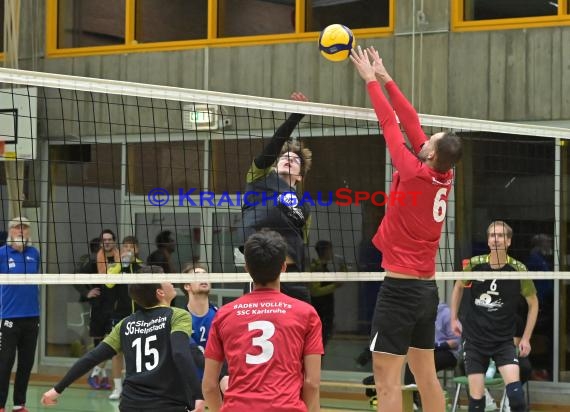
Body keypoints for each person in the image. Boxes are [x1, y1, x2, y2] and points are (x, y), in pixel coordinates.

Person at [350, 46, 462, 412]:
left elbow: (391, 123)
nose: (425, 137)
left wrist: (369, 81)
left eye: (431, 139)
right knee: (426, 376)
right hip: (426, 291)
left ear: (430, 154)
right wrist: (386, 77)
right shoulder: (444, 173)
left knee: (386, 383)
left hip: (399, 291)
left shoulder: (414, 172)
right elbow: (411, 121)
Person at [41, 266, 205, 412]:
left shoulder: (125, 324)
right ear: (160, 292)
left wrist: (56, 390)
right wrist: (198, 395)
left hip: (130, 404)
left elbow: (91, 358)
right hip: (166, 404)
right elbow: (181, 354)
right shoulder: (178, 316)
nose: (171, 281)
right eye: (166, 279)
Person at [203, 230, 323, 412]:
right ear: (283, 267)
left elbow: (210, 386)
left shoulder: (224, 314)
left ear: (247, 269)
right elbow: (312, 383)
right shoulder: (306, 313)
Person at [450, 220, 539, 412]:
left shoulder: (518, 269)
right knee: (476, 402)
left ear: (508, 241)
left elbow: (533, 303)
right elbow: (458, 287)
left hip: (503, 341)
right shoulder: (475, 264)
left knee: (516, 397)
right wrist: (453, 318)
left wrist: (526, 338)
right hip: (474, 340)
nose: (495, 239)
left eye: (500, 235)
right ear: (488, 240)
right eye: (492, 235)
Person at [240, 92, 313, 303]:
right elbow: (273, 146)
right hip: (259, 276)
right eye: (285, 158)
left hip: (292, 278)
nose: (289, 160)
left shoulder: (303, 207)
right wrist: (295, 116)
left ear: (299, 176)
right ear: (274, 165)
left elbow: (301, 242)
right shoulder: (258, 178)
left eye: (295, 161)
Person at [0, 217, 41, 412]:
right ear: (10, 232)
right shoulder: (1, 253)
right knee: (5, 363)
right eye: (17, 228)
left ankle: (19, 404)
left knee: (26, 364)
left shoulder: (35, 253)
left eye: (25, 228)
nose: (21, 231)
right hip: (9, 317)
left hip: (32, 317)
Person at [106, 236, 145, 400]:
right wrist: (122, 265)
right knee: (117, 352)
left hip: (140, 314)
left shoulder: (142, 266)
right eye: (126, 247)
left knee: (139, 352)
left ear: (136, 249)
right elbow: (108, 283)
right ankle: (117, 388)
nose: (128, 250)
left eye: (131, 247)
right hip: (120, 315)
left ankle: (137, 387)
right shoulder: (116, 265)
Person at [181, 264, 229, 392]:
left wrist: (224, 377)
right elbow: (194, 355)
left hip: (220, 384)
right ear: (187, 286)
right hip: (191, 388)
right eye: (197, 275)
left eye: (205, 275)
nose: (203, 278)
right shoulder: (179, 319)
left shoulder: (221, 315)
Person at [309, 240, 344, 347]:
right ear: (325, 251)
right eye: (330, 249)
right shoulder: (317, 267)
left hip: (327, 309)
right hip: (320, 309)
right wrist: (334, 286)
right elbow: (314, 291)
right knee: (320, 342)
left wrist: (343, 268)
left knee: (324, 340)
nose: (332, 252)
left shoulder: (324, 267)